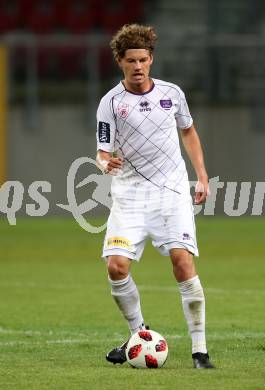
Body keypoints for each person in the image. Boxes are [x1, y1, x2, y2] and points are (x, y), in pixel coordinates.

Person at [95, 24, 214, 369]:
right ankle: (138, 335)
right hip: (130, 197)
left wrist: (202, 174)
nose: (137, 66)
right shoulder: (110, 104)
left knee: (182, 262)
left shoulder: (172, 94)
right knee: (116, 267)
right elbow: (102, 152)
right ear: (120, 61)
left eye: (143, 59)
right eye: (130, 60)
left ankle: (200, 351)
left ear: (151, 59)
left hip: (171, 194)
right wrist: (106, 164)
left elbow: (188, 131)